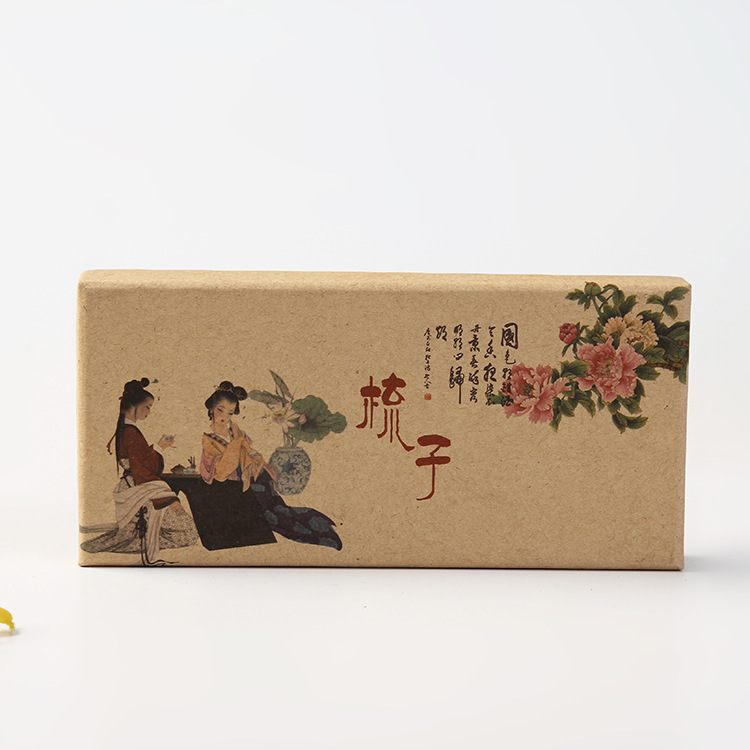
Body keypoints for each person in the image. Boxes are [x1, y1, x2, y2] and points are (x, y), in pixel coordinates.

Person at [201, 381, 342, 550]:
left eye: (230, 412)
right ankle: (321, 535)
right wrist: (238, 445)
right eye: (220, 410)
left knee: (278, 509)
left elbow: (249, 450)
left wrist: (251, 454)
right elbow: (221, 470)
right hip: (239, 479)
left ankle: (321, 529)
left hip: (256, 474)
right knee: (270, 515)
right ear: (211, 408)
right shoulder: (208, 438)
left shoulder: (234, 429)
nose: (225, 416)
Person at [81, 378, 199, 563]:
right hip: (139, 488)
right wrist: (168, 498)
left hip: (135, 486)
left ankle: (144, 537)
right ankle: (144, 541)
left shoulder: (126, 430)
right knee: (189, 533)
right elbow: (142, 469)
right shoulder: (130, 433)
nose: (149, 412)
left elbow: (141, 462)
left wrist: (158, 448)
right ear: (134, 405)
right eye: (147, 407)